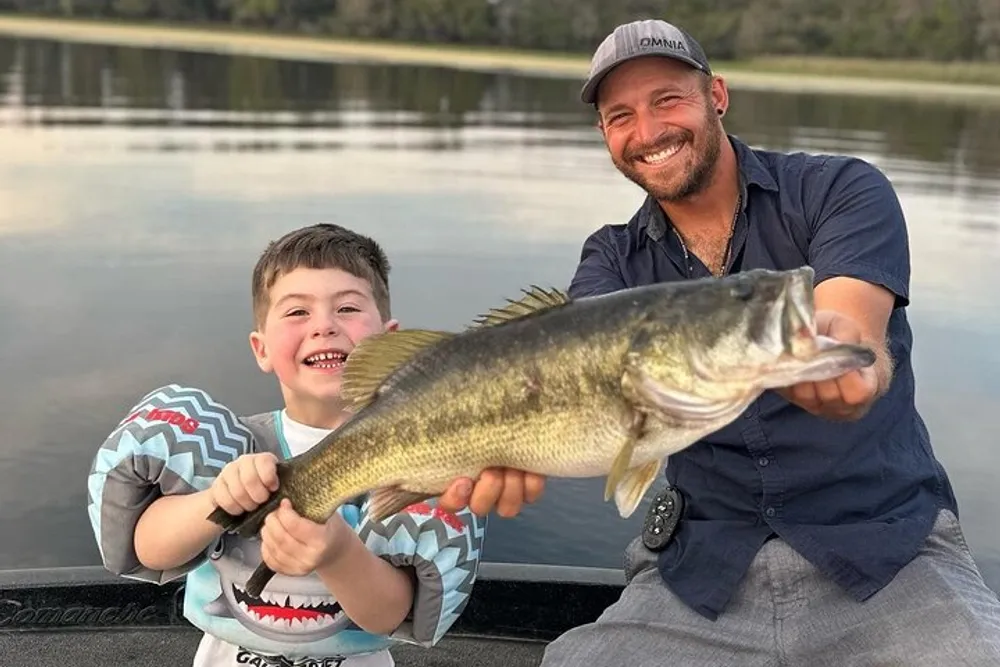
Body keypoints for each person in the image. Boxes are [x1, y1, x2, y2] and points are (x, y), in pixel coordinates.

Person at [437, 18, 1000, 666]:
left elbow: (850, 326)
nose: (648, 132)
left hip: (887, 554)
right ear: (605, 136)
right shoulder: (611, 258)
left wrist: (848, 356)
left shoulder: (840, 191)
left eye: (668, 100)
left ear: (718, 96)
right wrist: (500, 435)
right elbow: (579, 371)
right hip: (701, 571)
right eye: (621, 115)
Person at [87, 223, 485, 667]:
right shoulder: (233, 450)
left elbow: (391, 614)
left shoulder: (419, 460)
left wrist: (337, 552)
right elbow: (150, 549)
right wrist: (217, 499)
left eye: (348, 308)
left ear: (391, 341)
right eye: (297, 313)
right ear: (261, 349)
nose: (325, 327)